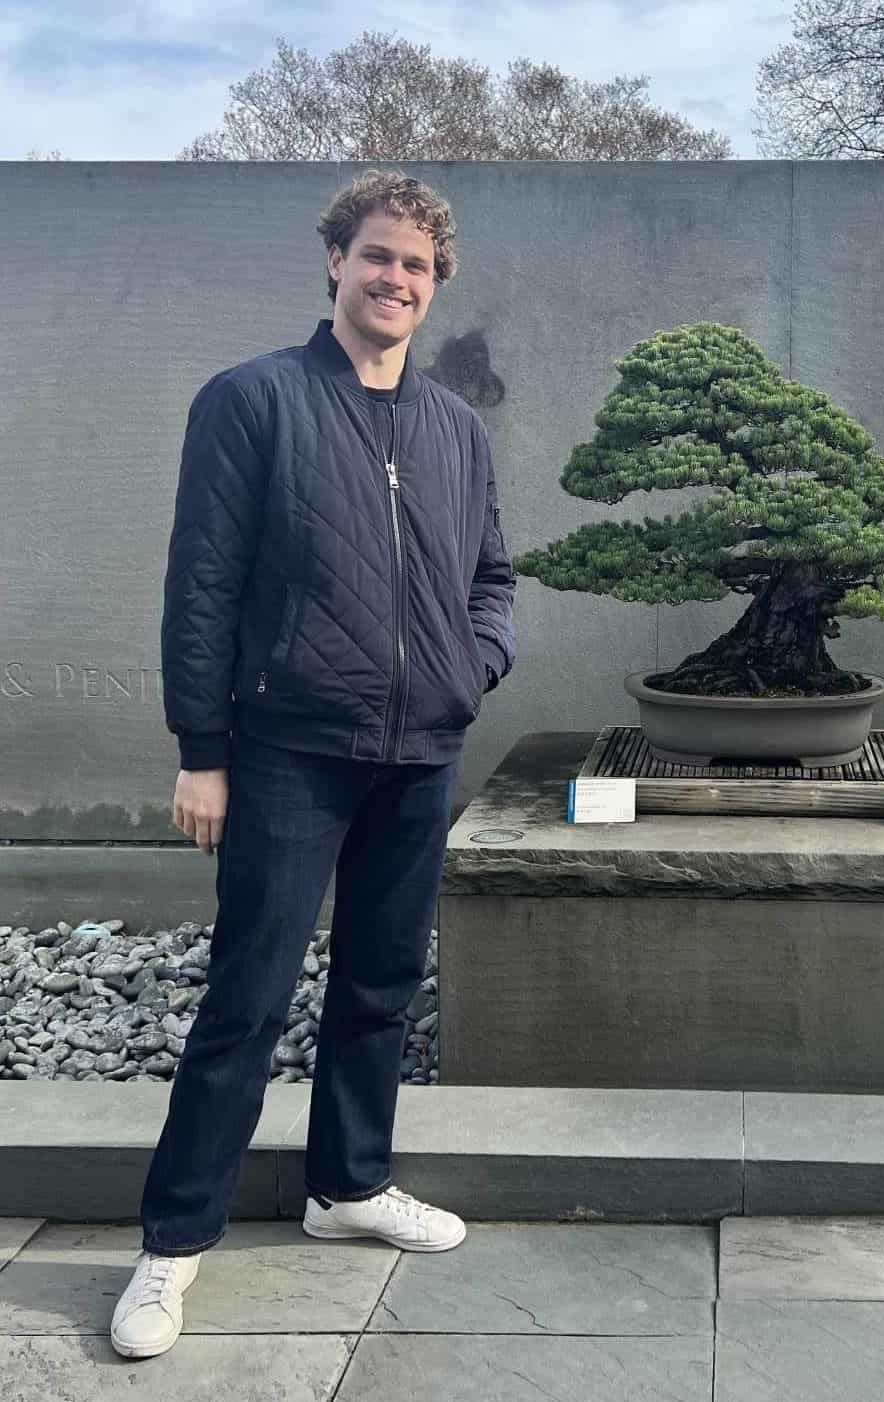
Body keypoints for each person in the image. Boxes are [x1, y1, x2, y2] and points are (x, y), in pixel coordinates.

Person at [111, 169, 516, 1360]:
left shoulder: (456, 428)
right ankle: (173, 1243)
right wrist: (203, 752)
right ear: (333, 262)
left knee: (382, 986)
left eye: (418, 267)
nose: (396, 279)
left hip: (420, 752)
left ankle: (348, 1188)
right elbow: (203, 588)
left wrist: (469, 667)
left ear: (435, 289)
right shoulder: (252, 402)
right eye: (377, 256)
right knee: (247, 995)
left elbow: (494, 579)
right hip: (288, 750)